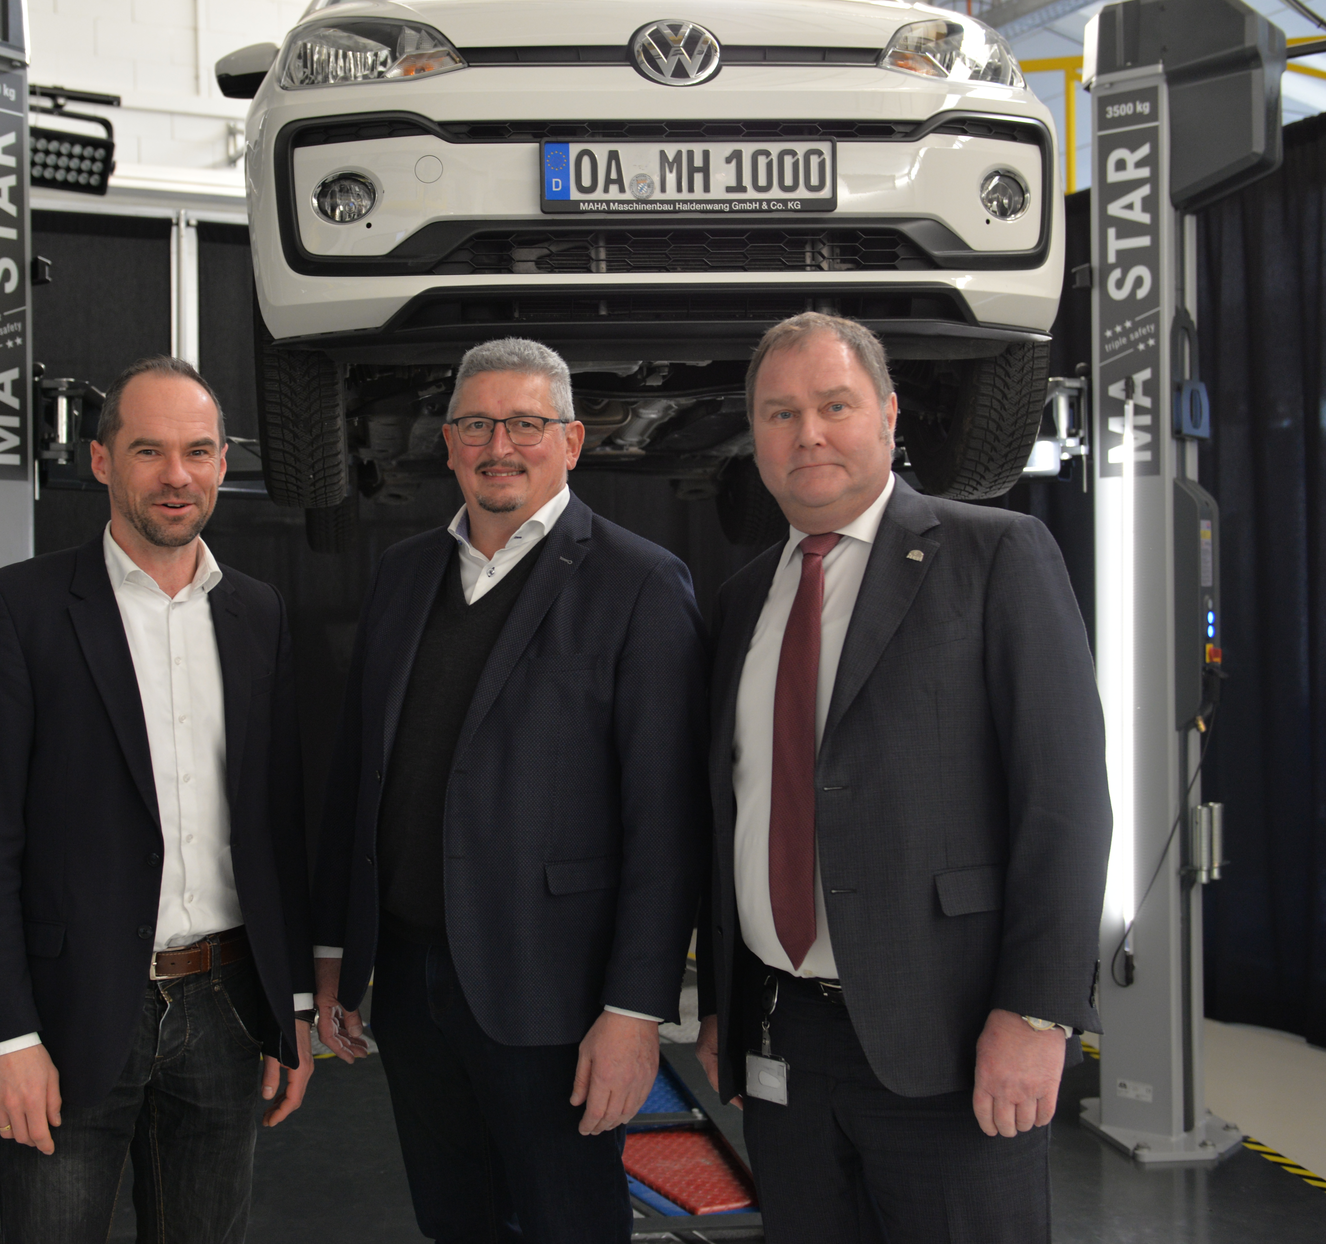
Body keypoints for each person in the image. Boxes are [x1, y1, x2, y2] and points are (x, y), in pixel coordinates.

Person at [693, 314, 1112, 1243]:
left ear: (887, 416)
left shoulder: (997, 555)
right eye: (780, 413)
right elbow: (734, 812)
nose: (808, 433)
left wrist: (1038, 1013)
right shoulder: (740, 600)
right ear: (754, 437)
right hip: (785, 1036)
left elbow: (1066, 803)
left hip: (952, 1038)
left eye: (834, 405)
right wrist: (726, 1004)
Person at [312, 337, 708, 1243]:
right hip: (410, 981)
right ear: (448, 443)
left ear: (571, 441)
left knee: (569, 1225)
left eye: (526, 424)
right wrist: (335, 945)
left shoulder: (640, 582)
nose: (500, 446)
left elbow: (668, 822)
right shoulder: (404, 573)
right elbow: (357, 775)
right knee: (454, 1222)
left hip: (556, 994)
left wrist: (635, 1010)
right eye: (477, 425)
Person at [0, 355, 316, 1243]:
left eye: (198, 451)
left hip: (227, 1006)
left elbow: (277, 825)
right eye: (149, 450)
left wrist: (292, 1004)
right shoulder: (17, 609)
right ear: (102, 460)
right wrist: (5, 1038)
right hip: (70, 1014)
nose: (176, 475)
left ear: (222, 462)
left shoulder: (258, 612)